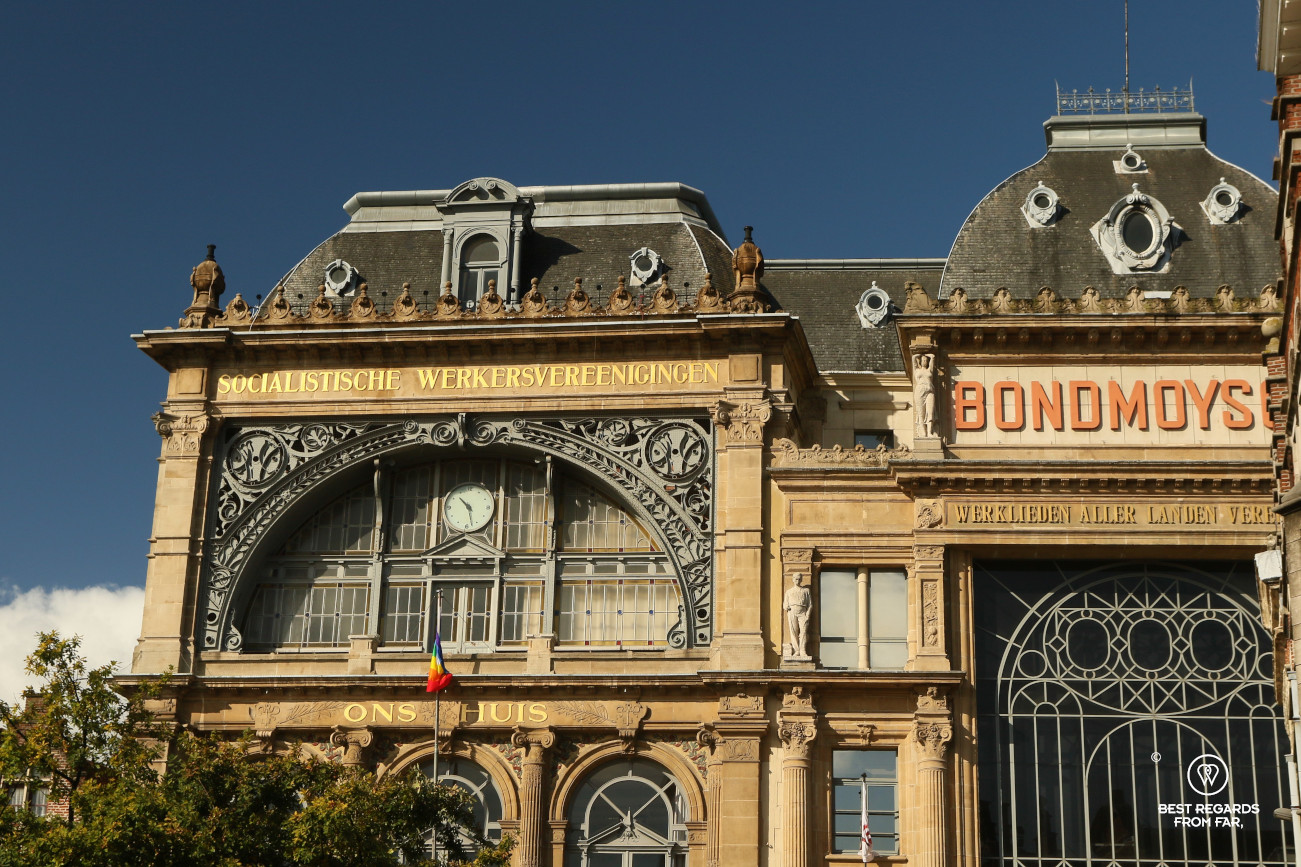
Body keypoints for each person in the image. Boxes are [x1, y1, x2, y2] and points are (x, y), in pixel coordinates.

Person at [783, 573, 812, 658]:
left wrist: (808, 615)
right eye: (796, 579)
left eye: (799, 579)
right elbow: (785, 604)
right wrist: (786, 607)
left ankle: (803, 650)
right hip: (792, 611)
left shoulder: (806, 591)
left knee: (803, 632)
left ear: (801, 580)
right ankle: (797, 650)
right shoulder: (789, 592)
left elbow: (810, 604)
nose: (798, 581)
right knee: (793, 631)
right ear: (793, 579)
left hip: (803, 611)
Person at [914, 353, 936, 437]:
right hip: (920, 391)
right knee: (921, 413)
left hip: (930, 390)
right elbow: (913, 359)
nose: (925, 361)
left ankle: (930, 432)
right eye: (923, 360)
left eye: (926, 360)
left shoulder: (929, 370)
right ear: (920, 361)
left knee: (930, 412)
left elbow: (933, 357)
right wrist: (918, 355)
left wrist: (929, 355)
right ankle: (923, 432)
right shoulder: (917, 370)